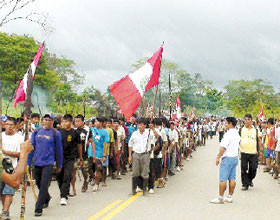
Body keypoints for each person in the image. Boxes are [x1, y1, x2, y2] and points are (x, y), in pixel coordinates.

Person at [27, 113, 63, 217]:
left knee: (43, 185)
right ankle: (46, 198)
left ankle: (38, 208)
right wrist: (28, 163)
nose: (47, 121)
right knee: (38, 183)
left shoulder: (56, 133)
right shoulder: (37, 131)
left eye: (49, 120)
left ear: (52, 122)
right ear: (42, 121)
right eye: (45, 119)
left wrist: (59, 164)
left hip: (48, 163)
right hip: (37, 162)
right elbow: (31, 147)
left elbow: (59, 150)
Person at [210, 117, 240, 204]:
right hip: (234, 157)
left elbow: (223, 147)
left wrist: (218, 156)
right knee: (232, 178)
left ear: (230, 124)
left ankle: (220, 198)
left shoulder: (228, 134)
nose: (225, 124)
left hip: (227, 158)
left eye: (226, 123)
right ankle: (230, 196)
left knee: (223, 179)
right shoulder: (236, 133)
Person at [128, 118, 159, 196]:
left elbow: (157, 137)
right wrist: (129, 156)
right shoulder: (135, 133)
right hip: (136, 154)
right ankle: (133, 189)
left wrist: (153, 129)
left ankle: (145, 190)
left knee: (145, 172)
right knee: (135, 172)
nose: (139, 126)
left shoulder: (149, 132)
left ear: (145, 125)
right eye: (138, 124)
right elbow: (130, 144)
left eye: (141, 124)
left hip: (145, 154)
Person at [1, 117, 24, 220]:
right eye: (7, 124)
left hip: (12, 168)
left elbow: (21, 154)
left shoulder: (19, 138)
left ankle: (5, 212)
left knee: (8, 191)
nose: (9, 127)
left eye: (11, 125)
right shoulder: (1, 136)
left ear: (15, 126)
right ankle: (5, 210)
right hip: (1, 168)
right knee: (2, 192)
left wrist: (6, 152)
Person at [57, 114, 82, 205]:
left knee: (67, 175)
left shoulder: (75, 133)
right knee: (59, 176)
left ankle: (63, 196)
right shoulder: (58, 132)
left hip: (70, 158)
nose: (64, 123)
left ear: (70, 122)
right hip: (59, 157)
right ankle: (63, 191)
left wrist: (80, 157)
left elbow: (79, 145)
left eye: (66, 121)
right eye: (63, 121)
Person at [239, 114, 260, 191]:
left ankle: (250, 179)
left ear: (251, 120)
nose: (246, 121)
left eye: (248, 119)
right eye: (245, 119)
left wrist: (260, 151)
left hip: (253, 153)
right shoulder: (241, 129)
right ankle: (245, 184)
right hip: (244, 152)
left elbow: (259, 140)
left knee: (253, 168)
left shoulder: (256, 130)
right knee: (244, 169)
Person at [91, 117, 109, 192]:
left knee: (98, 169)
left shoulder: (105, 132)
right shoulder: (91, 130)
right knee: (88, 168)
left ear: (101, 123)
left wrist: (104, 155)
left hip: (100, 154)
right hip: (91, 153)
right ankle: (92, 178)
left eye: (96, 122)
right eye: (94, 122)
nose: (95, 123)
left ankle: (96, 184)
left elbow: (106, 144)